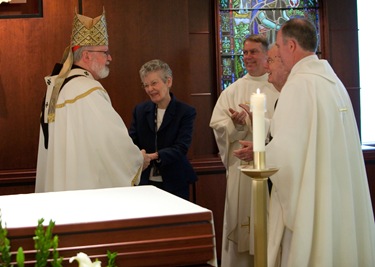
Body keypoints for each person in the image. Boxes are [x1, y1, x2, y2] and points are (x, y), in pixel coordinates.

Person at [234, 18, 375, 267]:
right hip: (336, 194)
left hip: (312, 199)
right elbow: (310, 136)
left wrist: (260, 153)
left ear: (291, 46)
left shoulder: (299, 85)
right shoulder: (334, 83)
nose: (274, 52)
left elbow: (286, 156)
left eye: (277, 45)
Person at [36, 10, 150, 192]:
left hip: (60, 185)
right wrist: (137, 160)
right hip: (83, 190)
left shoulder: (56, 88)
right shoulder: (87, 89)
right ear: (87, 55)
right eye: (105, 52)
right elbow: (111, 140)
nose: (109, 57)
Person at [209, 34, 279, 267]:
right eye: (245, 52)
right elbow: (218, 128)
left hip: (273, 172)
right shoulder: (233, 91)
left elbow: (287, 129)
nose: (247, 57)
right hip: (242, 170)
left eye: (253, 52)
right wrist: (236, 125)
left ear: (267, 54)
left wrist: (262, 147)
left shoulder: (278, 87)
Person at [129, 59, 197, 200]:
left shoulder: (185, 111)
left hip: (175, 181)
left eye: (154, 83)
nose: (150, 89)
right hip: (145, 182)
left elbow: (181, 147)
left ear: (168, 81)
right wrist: (138, 153)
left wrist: (153, 156)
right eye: (146, 85)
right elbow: (132, 141)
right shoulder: (140, 110)